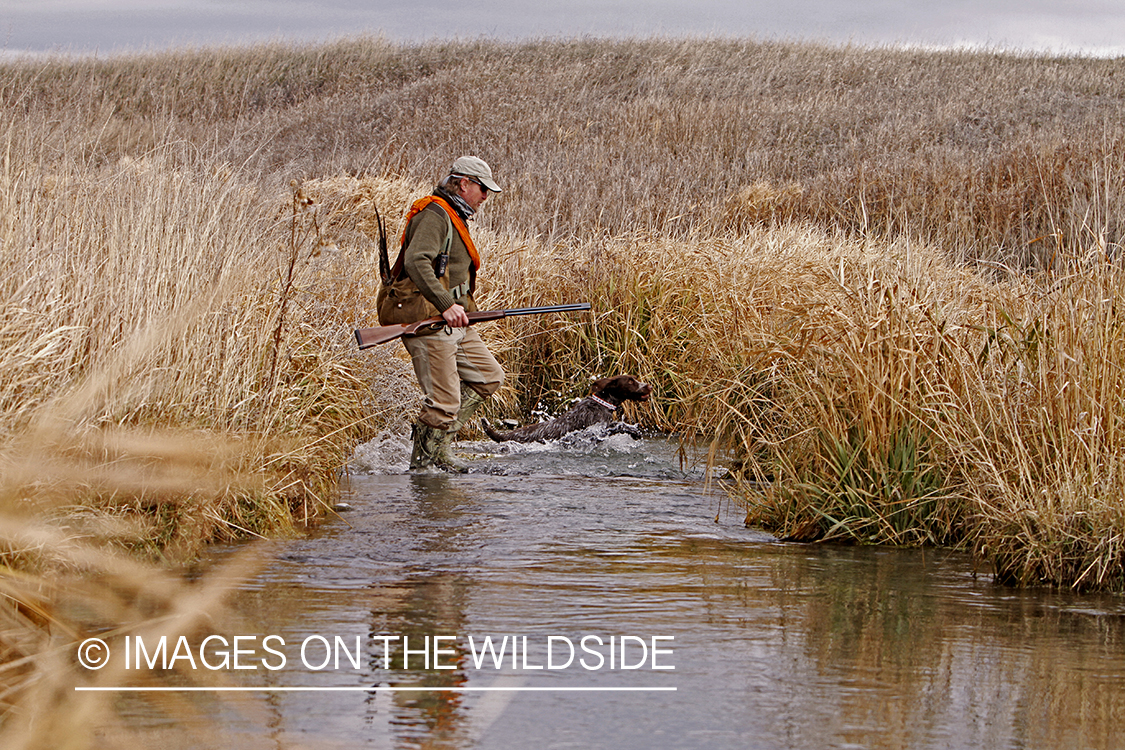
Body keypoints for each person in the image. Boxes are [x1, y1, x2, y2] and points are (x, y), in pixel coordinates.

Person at [377, 156, 505, 471]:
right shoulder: (434, 214)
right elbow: (416, 261)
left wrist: (456, 307)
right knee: (444, 402)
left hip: (451, 319)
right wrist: (447, 304)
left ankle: (438, 446)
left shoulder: (453, 215)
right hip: (430, 319)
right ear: (463, 184)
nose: (485, 196)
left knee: (488, 376)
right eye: (482, 189)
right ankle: (423, 471)